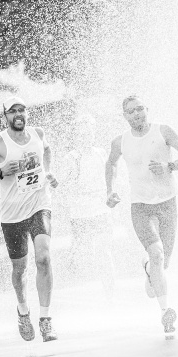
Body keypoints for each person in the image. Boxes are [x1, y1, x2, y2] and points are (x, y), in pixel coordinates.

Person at [0, 96, 60, 342]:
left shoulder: (38, 134)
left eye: (21, 110)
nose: (18, 114)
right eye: (12, 111)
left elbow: (47, 151)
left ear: (26, 113)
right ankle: (22, 311)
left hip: (40, 205)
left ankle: (46, 320)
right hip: (12, 216)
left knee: (43, 258)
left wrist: (48, 173)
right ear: (5, 116)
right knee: (20, 269)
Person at [105, 95, 178, 333]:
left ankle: (149, 271)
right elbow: (111, 164)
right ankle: (166, 312)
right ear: (125, 116)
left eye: (140, 109)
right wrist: (110, 190)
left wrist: (170, 167)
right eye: (131, 111)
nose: (137, 114)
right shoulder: (120, 142)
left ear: (147, 109)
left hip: (167, 204)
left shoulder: (163, 131)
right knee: (156, 253)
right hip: (141, 206)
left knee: (163, 263)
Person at [61, 115, 116, 296]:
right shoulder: (71, 158)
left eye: (89, 132)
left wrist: (111, 193)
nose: (85, 136)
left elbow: (111, 177)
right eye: (81, 133)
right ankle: (76, 278)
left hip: (101, 210)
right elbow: (64, 185)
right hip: (80, 214)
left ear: (93, 133)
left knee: (104, 250)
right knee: (84, 254)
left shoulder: (101, 153)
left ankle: (110, 291)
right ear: (75, 136)